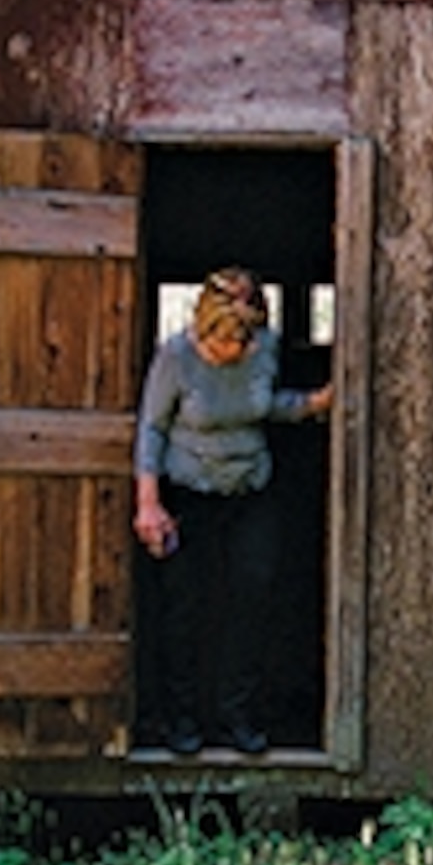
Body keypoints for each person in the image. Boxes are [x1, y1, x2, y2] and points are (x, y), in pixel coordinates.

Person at [133, 266, 332, 757]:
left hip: (251, 489)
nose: (236, 354)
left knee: (252, 599)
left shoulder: (264, 348)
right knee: (186, 606)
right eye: (226, 346)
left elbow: (263, 408)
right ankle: (180, 719)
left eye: (245, 344)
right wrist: (149, 503)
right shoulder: (176, 357)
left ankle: (238, 716)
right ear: (205, 332)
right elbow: (152, 429)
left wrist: (313, 404)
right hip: (189, 493)